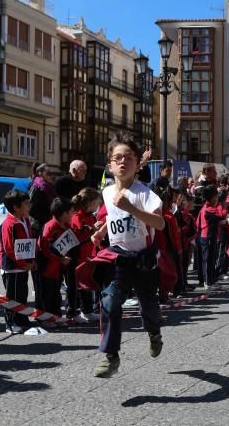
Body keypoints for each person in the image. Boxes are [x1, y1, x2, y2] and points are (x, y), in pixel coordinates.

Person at [91, 132, 165, 378]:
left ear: (136, 164)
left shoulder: (145, 193)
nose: (123, 162)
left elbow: (160, 223)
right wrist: (101, 231)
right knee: (110, 302)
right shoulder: (106, 192)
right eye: (118, 158)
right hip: (118, 258)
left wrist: (132, 207)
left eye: (129, 158)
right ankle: (111, 356)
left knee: (149, 307)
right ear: (110, 165)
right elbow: (115, 216)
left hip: (143, 260)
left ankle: (154, 333)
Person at [0, 190, 38, 334]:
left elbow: (29, 242)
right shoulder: (9, 224)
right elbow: (9, 249)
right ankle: (11, 323)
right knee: (12, 297)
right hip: (12, 267)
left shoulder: (25, 219)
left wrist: (31, 261)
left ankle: (22, 319)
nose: (29, 206)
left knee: (22, 294)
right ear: (15, 207)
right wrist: (23, 264)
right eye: (26, 203)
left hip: (23, 266)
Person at [37, 197, 76, 323]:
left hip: (58, 267)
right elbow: (44, 249)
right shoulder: (50, 227)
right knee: (47, 294)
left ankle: (56, 317)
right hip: (48, 268)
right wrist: (60, 258)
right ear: (64, 214)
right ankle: (47, 319)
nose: (73, 214)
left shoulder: (65, 225)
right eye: (71, 212)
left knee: (56, 293)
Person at [71, 187, 102, 321]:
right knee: (79, 285)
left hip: (89, 254)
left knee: (87, 284)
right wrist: (92, 229)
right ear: (89, 203)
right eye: (96, 203)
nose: (97, 206)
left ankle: (88, 310)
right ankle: (79, 311)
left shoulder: (89, 216)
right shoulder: (77, 217)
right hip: (80, 256)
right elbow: (78, 235)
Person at [29, 163, 58, 234]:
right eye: (48, 173)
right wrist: (47, 219)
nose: (51, 175)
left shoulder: (50, 187)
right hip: (39, 226)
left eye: (51, 173)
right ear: (40, 173)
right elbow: (31, 209)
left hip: (49, 223)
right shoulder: (37, 187)